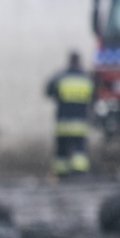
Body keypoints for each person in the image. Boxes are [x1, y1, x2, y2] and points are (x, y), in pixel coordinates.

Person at [45, 51, 94, 179]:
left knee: (61, 149)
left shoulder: (60, 77)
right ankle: (79, 174)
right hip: (80, 122)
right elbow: (94, 96)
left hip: (63, 122)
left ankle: (62, 174)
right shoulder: (87, 78)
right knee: (79, 149)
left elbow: (48, 92)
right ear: (79, 61)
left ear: (69, 61)